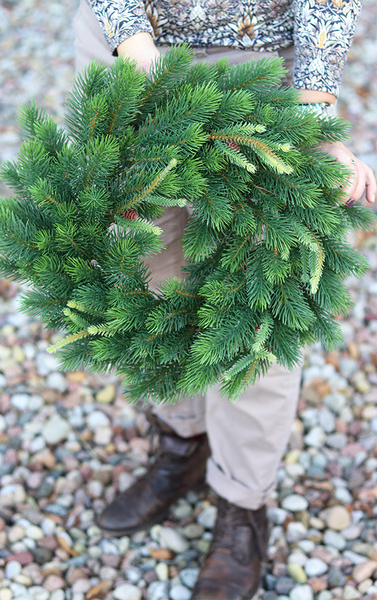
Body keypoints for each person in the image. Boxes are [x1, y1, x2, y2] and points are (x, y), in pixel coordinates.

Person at [73, 2, 376, 598]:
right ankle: (181, 442)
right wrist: (137, 53)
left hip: (262, 54)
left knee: (257, 303)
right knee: (147, 270)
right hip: (130, 42)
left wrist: (312, 119)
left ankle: (242, 500)